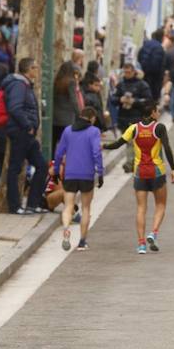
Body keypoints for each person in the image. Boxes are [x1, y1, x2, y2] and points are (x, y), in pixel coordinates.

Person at [105, 102, 174, 253]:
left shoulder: (134, 129)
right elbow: (167, 148)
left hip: (140, 173)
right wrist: (173, 168)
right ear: (152, 113)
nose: (158, 114)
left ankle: (141, 244)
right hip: (157, 172)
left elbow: (118, 144)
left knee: (141, 208)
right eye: (157, 111)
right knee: (160, 205)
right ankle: (154, 233)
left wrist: (103, 146)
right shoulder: (159, 128)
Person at [52, 106, 104, 252]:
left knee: (68, 206)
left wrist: (56, 171)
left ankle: (66, 229)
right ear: (92, 118)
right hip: (87, 175)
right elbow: (96, 153)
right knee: (86, 208)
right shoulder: (94, 131)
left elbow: (59, 153)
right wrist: (100, 172)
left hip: (70, 174)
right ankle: (82, 241)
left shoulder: (68, 130)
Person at [1, 58, 49, 215]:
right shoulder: (19, 85)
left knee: (42, 165)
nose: (37, 70)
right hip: (21, 132)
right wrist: (27, 126)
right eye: (35, 67)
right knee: (15, 169)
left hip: (27, 134)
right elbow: (15, 108)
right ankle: (15, 206)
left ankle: (32, 204)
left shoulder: (26, 85)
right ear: (28, 69)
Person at [52, 61, 83, 153]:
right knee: (66, 145)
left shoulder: (56, 81)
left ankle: (53, 163)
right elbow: (74, 100)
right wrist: (79, 114)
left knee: (53, 143)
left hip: (55, 118)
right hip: (67, 118)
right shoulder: (71, 82)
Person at [138, 29, 166, 101]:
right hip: (153, 79)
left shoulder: (145, 44)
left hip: (144, 75)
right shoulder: (159, 48)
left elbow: (139, 56)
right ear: (162, 37)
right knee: (152, 99)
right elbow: (156, 65)